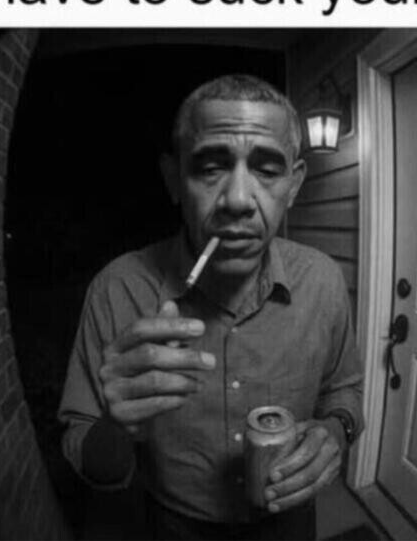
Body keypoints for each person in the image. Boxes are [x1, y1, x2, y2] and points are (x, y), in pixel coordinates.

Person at [58, 74, 364, 540]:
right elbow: (86, 455)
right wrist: (117, 426)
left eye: (267, 170)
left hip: (291, 522)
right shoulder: (116, 290)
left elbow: (345, 390)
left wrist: (336, 431)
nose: (238, 200)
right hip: (172, 526)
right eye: (210, 168)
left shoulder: (322, 280)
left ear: (294, 184)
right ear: (173, 179)